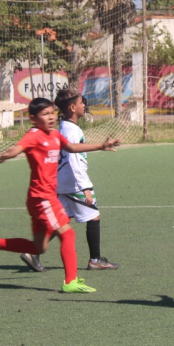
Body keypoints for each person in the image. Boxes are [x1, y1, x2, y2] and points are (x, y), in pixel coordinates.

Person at [0, 97, 121, 293]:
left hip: (45, 198)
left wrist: (100, 146)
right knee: (67, 234)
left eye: (52, 112)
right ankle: (70, 281)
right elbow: (19, 147)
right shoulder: (34, 135)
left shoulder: (54, 134)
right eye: (45, 114)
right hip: (42, 198)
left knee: (38, 248)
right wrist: (8, 154)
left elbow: (71, 147)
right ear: (33, 118)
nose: (51, 117)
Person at [19, 88, 119, 273]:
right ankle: (95, 260)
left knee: (62, 220)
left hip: (62, 183)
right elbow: (74, 160)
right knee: (94, 216)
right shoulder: (70, 130)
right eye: (82, 103)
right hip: (73, 183)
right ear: (73, 107)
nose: (84, 105)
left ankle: (33, 252)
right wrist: (85, 187)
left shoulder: (65, 127)